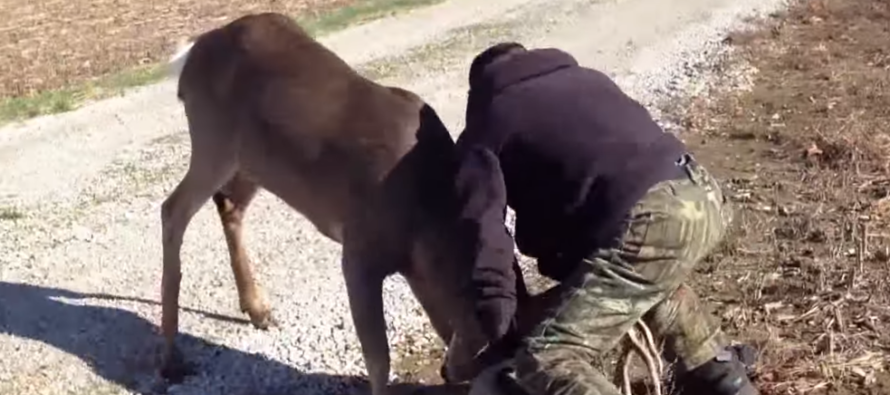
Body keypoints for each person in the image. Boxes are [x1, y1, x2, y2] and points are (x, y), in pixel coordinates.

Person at [443, 42, 759, 395]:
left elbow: (482, 239)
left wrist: (497, 326)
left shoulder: (488, 124)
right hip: (703, 194)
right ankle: (726, 380)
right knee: (646, 290)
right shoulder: (585, 79)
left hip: (649, 215)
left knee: (547, 358)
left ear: (479, 91)